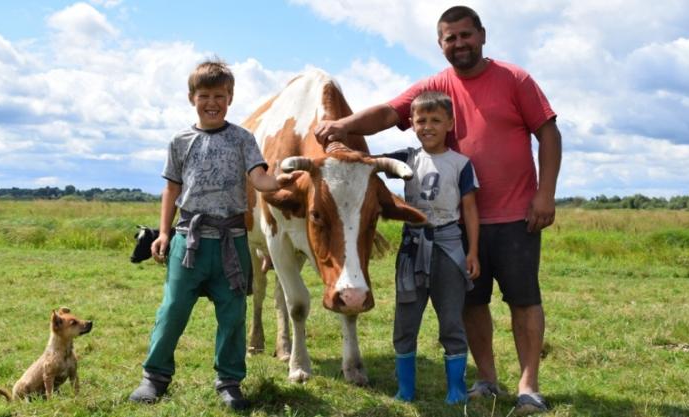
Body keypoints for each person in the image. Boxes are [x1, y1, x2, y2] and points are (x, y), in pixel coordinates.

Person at [314, 5, 561, 414]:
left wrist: (546, 193)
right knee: (472, 303)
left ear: (482, 35)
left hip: (517, 215)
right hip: (457, 223)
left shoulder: (515, 79)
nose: (459, 43)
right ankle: (486, 379)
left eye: (466, 35)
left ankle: (528, 385)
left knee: (523, 299)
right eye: (451, 38)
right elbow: (388, 113)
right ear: (440, 44)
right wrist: (345, 126)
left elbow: (548, 134)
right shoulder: (434, 86)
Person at [128, 60, 301, 410]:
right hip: (188, 241)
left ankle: (229, 381)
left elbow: (260, 179)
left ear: (230, 98)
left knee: (233, 313)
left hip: (231, 241)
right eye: (204, 95)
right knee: (172, 309)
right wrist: (163, 233)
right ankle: (155, 377)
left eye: (219, 95)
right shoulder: (180, 141)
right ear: (192, 97)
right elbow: (171, 190)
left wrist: (280, 181)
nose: (212, 102)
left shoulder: (242, 139)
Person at [386, 91, 480, 405]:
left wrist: (473, 252)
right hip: (412, 247)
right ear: (411, 123)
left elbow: (469, 210)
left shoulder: (461, 164)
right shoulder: (405, 158)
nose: (428, 126)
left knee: (452, 318)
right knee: (406, 319)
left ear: (450, 123)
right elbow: (368, 166)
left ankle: (455, 389)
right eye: (421, 120)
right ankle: (405, 389)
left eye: (436, 120)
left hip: (448, 245)